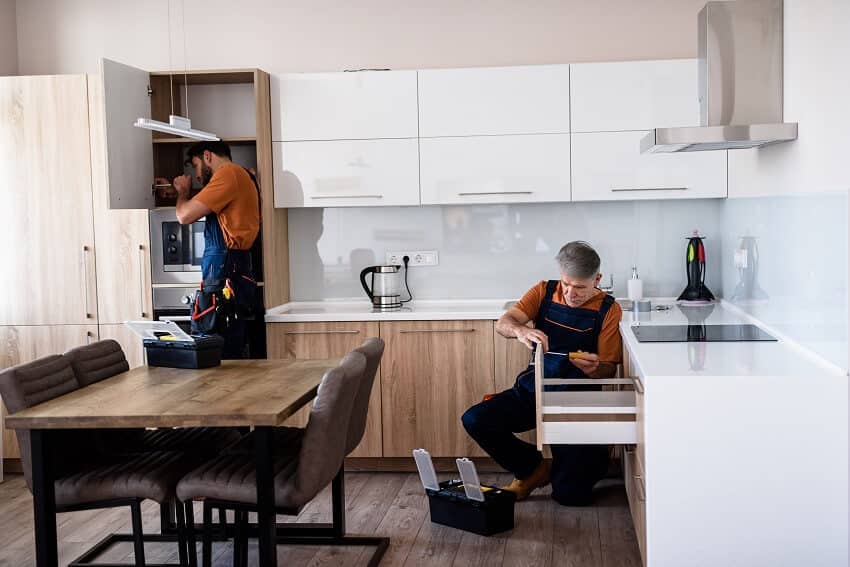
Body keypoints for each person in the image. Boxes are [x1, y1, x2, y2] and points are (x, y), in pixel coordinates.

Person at [461, 241, 623, 506]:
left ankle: (590, 458)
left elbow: (608, 367)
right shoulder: (543, 291)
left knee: (570, 497)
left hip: (576, 405)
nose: (571, 293)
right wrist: (521, 331)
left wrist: (597, 367)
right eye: (566, 284)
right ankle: (533, 470)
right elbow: (505, 323)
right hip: (532, 391)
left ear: (598, 279)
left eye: (580, 287)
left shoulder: (609, 310)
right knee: (476, 419)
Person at [171, 141, 260, 358]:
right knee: (230, 345)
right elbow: (206, 202)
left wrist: (182, 193)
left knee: (212, 346)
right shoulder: (244, 176)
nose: (197, 175)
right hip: (235, 268)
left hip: (223, 270)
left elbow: (184, 215)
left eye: (196, 166)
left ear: (208, 156)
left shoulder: (228, 173)